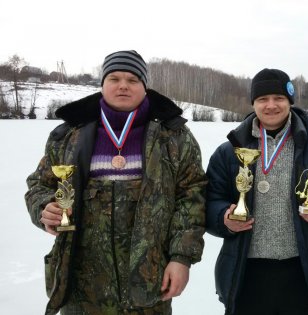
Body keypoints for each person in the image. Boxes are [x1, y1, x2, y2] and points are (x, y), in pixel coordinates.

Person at [25, 50, 207, 315]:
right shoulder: (68, 135)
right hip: (81, 285)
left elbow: (192, 196)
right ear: (103, 84)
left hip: (149, 282)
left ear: (145, 87)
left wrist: (182, 258)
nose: (123, 85)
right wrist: (44, 208)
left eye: (133, 79)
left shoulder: (174, 136)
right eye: (114, 78)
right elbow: (39, 185)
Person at [205, 68, 308, 315]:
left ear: (290, 101)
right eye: (262, 99)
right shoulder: (229, 152)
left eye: (278, 98)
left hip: (306, 274)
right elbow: (208, 200)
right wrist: (223, 218)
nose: (271, 106)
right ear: (253, 103)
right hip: (245, 274)